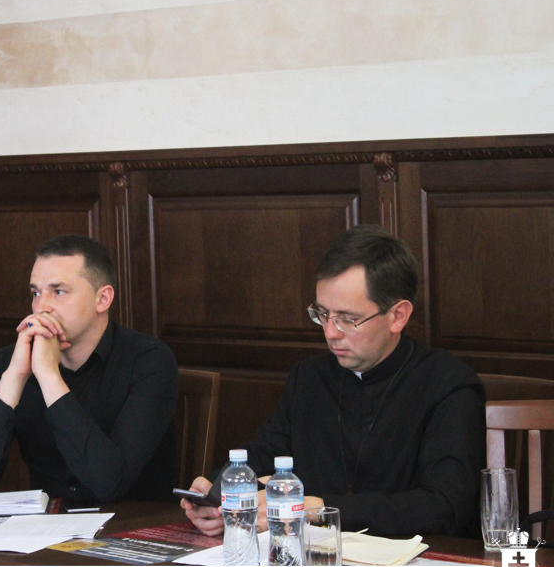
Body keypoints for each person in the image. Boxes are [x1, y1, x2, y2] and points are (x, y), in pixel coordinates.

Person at [183, 225, 485, 537]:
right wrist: (218, 491)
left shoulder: (448, 384)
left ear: (398, 316)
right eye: (323, 314)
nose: (330, 332)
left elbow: (445, 506)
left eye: (348, 319)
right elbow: (264, 453)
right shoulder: (310, 377)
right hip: (313, 554)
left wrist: (318, 510)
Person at [0, 234, 179, 502]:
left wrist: (49, 376)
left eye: (58, 291)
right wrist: (14, 378)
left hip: (131, 521)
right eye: (36, 293)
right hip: (48, 523)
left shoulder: (149, 360)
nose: (41, 307)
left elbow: (110, 483)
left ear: (102, 299)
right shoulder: (12, 362)